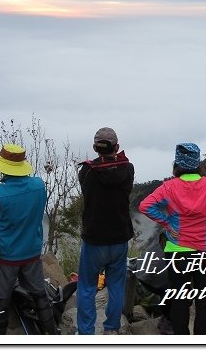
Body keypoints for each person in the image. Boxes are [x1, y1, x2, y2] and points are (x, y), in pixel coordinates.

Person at [139, 143, 206, 335]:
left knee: (180, 300)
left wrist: (167, 223)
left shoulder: (169, 187)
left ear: (177, 164)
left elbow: (145, 206)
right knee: (204, 302)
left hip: (177, 251)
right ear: (198, 163)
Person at [0, 144, 57, 335]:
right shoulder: (39, 185)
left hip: (6, 255)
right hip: (31, 250)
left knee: (2, 298)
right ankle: (52, 332)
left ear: (3, 166)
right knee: (39, 292)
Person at [76, 127, 135, 335]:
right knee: (116, 285)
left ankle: (86, 333)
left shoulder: (87, 171)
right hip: (119, 237)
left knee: (87, 287)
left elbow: (87, 190)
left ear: (95, 148)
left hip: (94, 239)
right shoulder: (128, 169)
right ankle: (111, 328)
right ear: (117, 147)